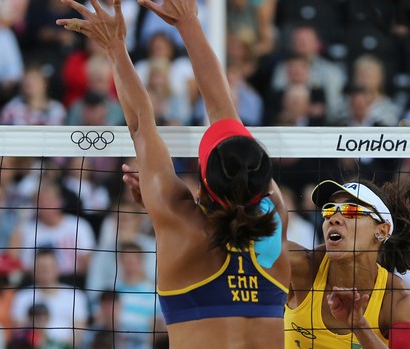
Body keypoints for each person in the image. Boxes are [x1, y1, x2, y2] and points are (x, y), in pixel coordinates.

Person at [57, 1, 290, 348]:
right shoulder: (277, 216)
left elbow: (140, 123)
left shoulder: (178, 218)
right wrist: (188, 24)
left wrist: (116, 45)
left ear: (203, 183)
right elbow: (224, 108)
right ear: (263, 185)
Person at [285, 179, 410, 348]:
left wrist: (360, 326)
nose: (334, 219)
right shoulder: (302, 266)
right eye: (329, 210)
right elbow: (253, 238)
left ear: (382, 231)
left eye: (351, 211)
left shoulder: (398, 301)